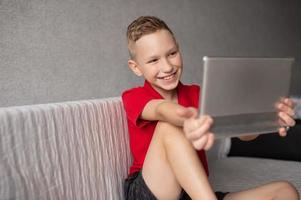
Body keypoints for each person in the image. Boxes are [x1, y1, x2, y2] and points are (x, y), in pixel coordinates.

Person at [122, 16, 299, 200]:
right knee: (168, 126)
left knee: (285, 191)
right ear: (136, 67)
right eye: (153, 60)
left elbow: (244, 134)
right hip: (151, 190)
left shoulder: (198, 94)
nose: (167, 66)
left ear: (178, 48)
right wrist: (187, 119)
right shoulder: (133, 96)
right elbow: (162, 110)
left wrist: (266, 117)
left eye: (172, 53)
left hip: (194, 195)